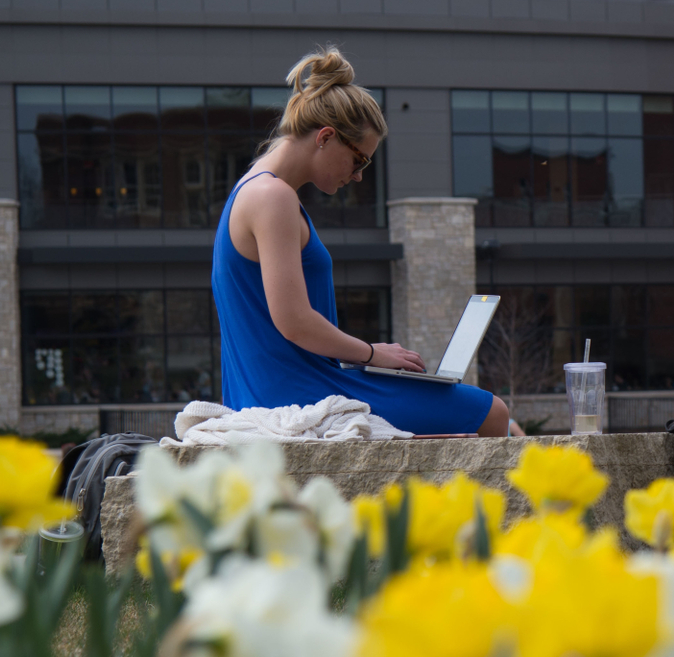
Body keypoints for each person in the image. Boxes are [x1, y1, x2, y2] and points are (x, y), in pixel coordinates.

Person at [216, 48, 511, 436]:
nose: (358, 176)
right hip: (295, 391)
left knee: (465, 424)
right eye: (359, 161)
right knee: (493, 414)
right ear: (325, 137)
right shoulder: (272, 197)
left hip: (285, 383)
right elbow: (294, 322)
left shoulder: (254, 190)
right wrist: (374, 354)